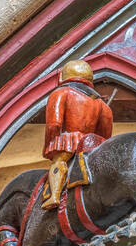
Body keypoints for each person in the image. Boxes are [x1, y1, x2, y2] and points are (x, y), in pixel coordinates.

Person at [41, 59, 113, 209]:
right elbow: (105, 136)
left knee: (59, 162)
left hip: (69, 141)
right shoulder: (101, 104)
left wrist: (50, 143)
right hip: (91, 146)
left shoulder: (61, 93)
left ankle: (54, 195)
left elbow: (54, 124)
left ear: (62, 76)